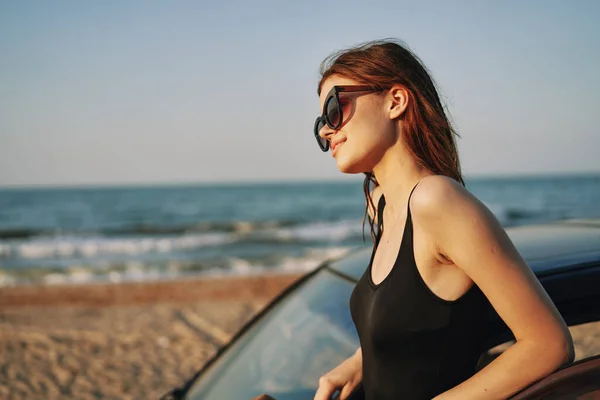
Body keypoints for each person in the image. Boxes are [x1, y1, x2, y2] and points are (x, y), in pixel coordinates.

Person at [309, 39, 574, 399]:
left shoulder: (438, 202)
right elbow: (412, 325)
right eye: (320, 123)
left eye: (334, 108)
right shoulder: (383, 204)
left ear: (396, 101)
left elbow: (549, 344)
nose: (326, 130)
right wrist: (359, 362)